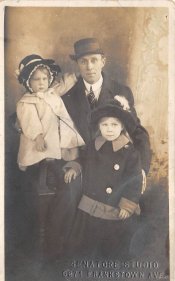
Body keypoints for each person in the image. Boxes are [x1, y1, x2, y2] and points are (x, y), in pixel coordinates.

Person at [15, 54, 85, 255]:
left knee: (63, 157)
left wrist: (75, 76)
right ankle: (45, 242)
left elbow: (63, 86)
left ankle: (63, 233)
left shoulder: (52, 93)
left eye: (44, 79)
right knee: (44, 163)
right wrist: (37, 136)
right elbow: (29, 121)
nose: (41, 83)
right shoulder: (27, 102)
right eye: (36, 80)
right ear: (28, 82)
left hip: (57, 142)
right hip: (40, 144)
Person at [62, 38, 152, 189]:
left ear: (103, 61)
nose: (89, 67)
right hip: (82, 163)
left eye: (94, 60)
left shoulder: (121, 91)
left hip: (114, 163)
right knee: (68, 198)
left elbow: (136, 131)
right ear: (77, 64)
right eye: (83, 61)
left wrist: (141, 167)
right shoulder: (67, 96)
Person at [65, 100, 143, 259]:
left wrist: (127, 205)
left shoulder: (130, 152)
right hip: (90, 205)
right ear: (99, 127)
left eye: (114, 125)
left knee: (111, 246)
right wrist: (75, 167)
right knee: (88, 243)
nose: (109, 129)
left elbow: (135, 181)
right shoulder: (94, 145)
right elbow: (84, 160)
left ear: (122, 127)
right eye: (105, 125)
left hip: (113, 206)